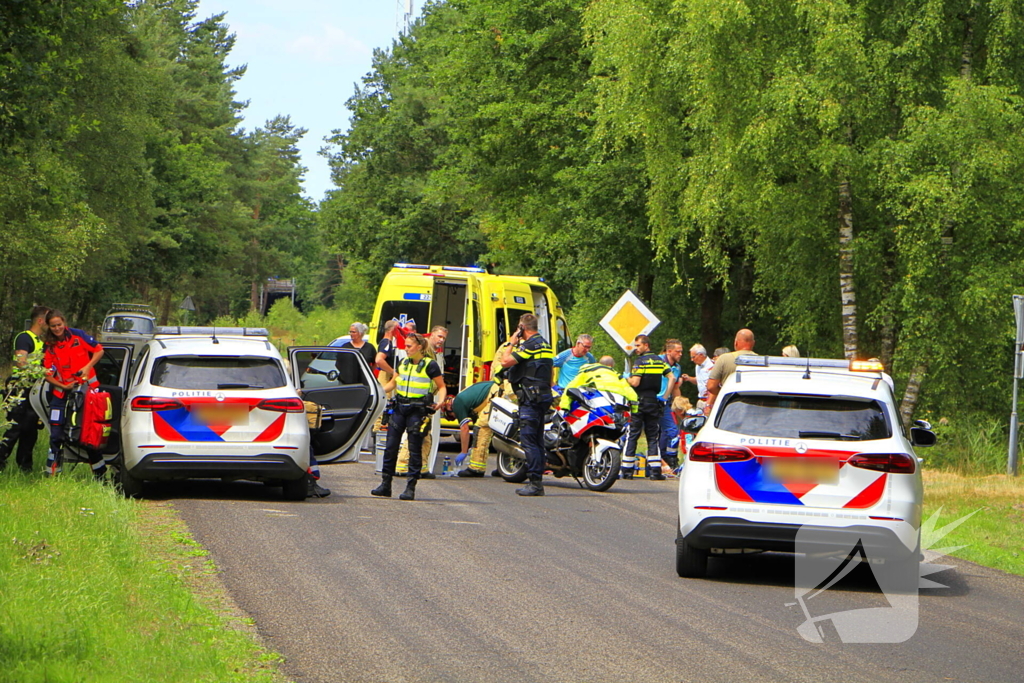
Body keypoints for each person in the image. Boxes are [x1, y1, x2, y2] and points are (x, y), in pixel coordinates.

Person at [370, 332, 446, 501]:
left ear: (419, 347)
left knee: (414, 449)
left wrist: (440, 402)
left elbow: (441, 387)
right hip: (399, 409)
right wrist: (376, 393)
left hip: (417, 411)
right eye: (405, 346)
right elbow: (393, 383)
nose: (406, 349)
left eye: (409, 346)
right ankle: (385, 485)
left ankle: (410, 488)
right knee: (390, 447)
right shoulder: (403, 363)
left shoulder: (430, 365)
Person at [42, 310, 106, 478]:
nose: (57, 328)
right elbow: (46, 373)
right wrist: (62, 385)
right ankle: (52, 476)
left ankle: (101, 476)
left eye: (59, 325)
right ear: (48, 326)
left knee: (88, 433)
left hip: (87, 392)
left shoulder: (78, 335)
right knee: (56, 435)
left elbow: (99, 351)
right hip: (61, 392)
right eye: (53, 326)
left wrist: (87, 367)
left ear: (64, 323)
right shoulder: (49, 345)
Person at [500, 313, 554, 496]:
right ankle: (537, 480)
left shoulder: (530, 345)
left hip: (530, 400)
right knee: (537, 441)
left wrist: (511, 343)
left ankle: (535, 483)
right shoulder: (545, 344)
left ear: (522, 328)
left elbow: (505, 361)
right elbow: (550, 372)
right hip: (543, 397)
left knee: (529, 441)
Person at [0, 305, 49, 474]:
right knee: (15, 428)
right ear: (41, 321)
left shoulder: (40, 341)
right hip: (20, 388)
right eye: (48, 322)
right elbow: (21, 363)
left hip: (33, 390)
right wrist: (43, 372)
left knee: (30, 430)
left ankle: (25, 467)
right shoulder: (24, 338)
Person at [395, 325, 447, 477]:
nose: (441, 340)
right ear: (431, 335)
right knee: (417, 432)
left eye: (444, 338)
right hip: (418, 400)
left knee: (424, 434)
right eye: (439, 336)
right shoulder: (425, 353)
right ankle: (403, 465)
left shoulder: (433, 353)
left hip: (426, 399)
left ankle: (422, 467)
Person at [622, 335, 673, 480]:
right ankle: (656, 471)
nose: (636, 348)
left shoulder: (640, 361)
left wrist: (626, 377)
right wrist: (664, 397)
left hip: (639, 401)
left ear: (646, 345)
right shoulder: (659, 361)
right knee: (653, 436)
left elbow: (636, 382)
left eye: (638, 345)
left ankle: (627, 470)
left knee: (633, 434)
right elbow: (672, 378)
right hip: (654, 401)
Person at [450, 379, 499, 477]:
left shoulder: (457, 404)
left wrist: (464, 451)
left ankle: (476, 469)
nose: (455, 417)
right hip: (497, 392)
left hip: (493, 394)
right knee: (501, 432)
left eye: (452, 416)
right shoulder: (466, 399)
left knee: (481, 429)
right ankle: (505, 468)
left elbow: (464, 429)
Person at [705, 329, 757, 415]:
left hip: (729, 406)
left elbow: (711, 386)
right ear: (753, 343)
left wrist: (725, 393)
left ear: (735, 343)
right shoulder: (761, 361)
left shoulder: (724, 359)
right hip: (753, 406)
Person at [657, 340, 684, 471]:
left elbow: (675, 388)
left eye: (681, 351)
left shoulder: (677, 368)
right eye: (677, 351)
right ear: (669, 351)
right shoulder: (658, 362)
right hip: (652, 401)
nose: (680, 354)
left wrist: (679, 403)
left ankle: (671, 459)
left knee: (673, 432)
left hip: (665, 403)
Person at [681, 343, 715, 412]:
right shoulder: (698, 366)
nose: (692, 360)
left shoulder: (712, 366)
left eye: (693, 357)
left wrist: (709, 404)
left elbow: (715, 385)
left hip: (711, 400)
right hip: (700, 400)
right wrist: (689, 378)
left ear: (701, 355)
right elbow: (700, 380)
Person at [374, 320, 399, 385]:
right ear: (392, 330)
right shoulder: (386, 343)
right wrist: (392, 371)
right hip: (386, 377)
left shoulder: (389, 342)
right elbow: (379, 359)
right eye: (398, 329)